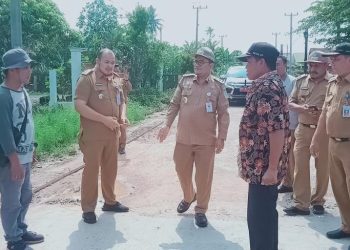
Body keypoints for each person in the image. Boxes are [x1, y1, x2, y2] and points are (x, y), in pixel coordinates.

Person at [157, 47, 230, 228]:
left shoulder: (218, 86)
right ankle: (189, 196)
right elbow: (174, 105)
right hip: (183, 139)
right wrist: (167, 125)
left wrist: (222, 137)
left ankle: (201, 209)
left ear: (210, 65)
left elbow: (223, 114)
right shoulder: (185, 81)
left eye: (201, 62)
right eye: (195, 61)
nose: (197, 65)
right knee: (181, 170)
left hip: (206, 141)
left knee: (203, 178)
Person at [237, 42, 290, 250]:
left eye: (249, 61)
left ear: (261, 62)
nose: (246, 66)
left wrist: (272, 169)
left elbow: (276, 130)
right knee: (265, 220)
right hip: (261, 168)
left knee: (260, 222)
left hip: (264, 169)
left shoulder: (268, 88)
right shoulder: (267, 84)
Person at [75, 48, 129, 224]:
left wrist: (123, 116)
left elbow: (122, 102)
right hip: (93, 136)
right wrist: (104, 120)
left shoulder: (115, 80)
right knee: (91, 171)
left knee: (110, 169)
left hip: (112, 134)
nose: (110, 66)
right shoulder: (87, 79)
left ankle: (110, 202)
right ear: (98, 61)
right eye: (106, 62)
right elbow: (79, 105)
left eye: (112, 62)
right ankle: (88, 209)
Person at [0, 48, 44, 250]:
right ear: (12, 71)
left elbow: (28, 123)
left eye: (29, 66)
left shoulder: (24, 92)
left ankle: (20, 228)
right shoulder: (3, 96)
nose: (29, 70)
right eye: (25, 67)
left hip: (25, 156)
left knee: (26, 196)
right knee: (11, 201)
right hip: (11, 161)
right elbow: (5, 132)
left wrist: (31, 148)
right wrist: (15, 161)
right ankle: (13, 239)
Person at [310, 42, 350, 239]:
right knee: (339, 189)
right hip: (333, 144)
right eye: (331, 59)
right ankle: (346, 226)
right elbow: (325, 113)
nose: (331, 62)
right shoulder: (333, 84)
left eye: (337, 59)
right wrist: (317, 139)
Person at [284, 50, 331, 216]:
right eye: (311, 64)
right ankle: (301, 203)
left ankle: (318, 201)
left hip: (323, 132)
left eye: (317, 65)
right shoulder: (301, 81)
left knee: (323, 167)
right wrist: (302, 109)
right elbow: (290, 102)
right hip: (303, 129)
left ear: (326, 65)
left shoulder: (332, 83)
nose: (313, 68)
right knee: (300, 167)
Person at [276, 55, 297, 193]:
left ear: (285, 65)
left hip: (292, 125)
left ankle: (291, 183)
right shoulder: (272, 81)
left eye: (279, 64)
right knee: (280, 156)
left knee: (292, 157)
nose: (277, 66)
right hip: (278, 126)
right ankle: (284, 182)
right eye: (275, 64)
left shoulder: (294, 81)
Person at [114, 64, 132, 155]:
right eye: (115, 70)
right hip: (112, 109)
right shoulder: (108, 81)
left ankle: (122, 146)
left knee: (122, 127)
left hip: (122, 107)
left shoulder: (121, 81)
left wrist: (126, 80)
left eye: (117, 71)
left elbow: (129, 88)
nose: (116, 72)